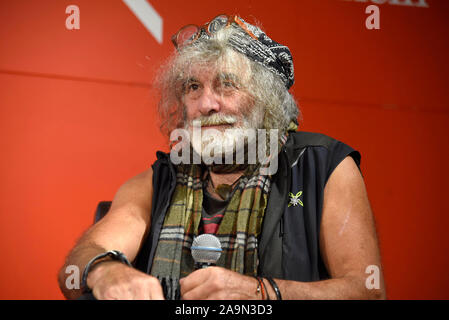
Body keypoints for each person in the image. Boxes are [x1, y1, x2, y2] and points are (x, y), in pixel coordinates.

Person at [58, 14, 386, 300]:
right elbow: (80, 263)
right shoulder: (160, 177)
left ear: (266, 100)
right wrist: (104, 272)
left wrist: (260, 292)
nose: (206, 105)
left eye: (226, 85)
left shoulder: (322, 165)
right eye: (193, 88)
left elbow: (366, 291)